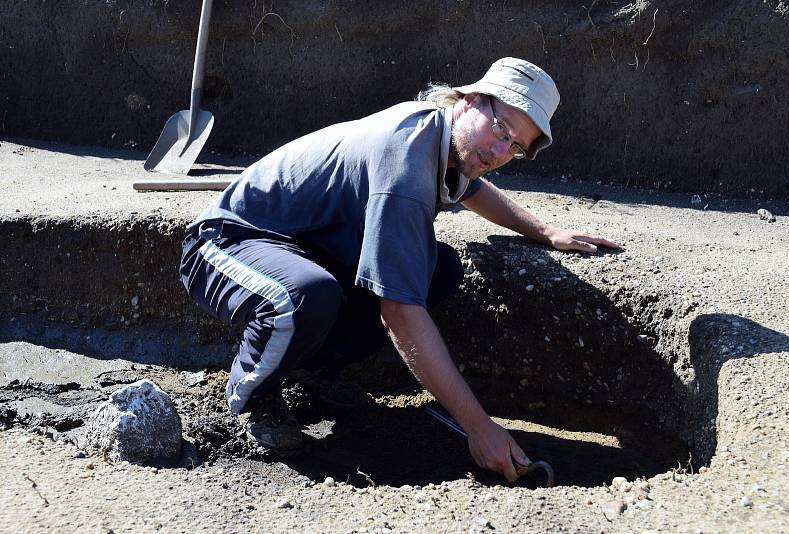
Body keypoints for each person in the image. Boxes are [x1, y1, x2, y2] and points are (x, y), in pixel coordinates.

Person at [179, 57, 619, 483]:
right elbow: (400, 314)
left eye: (515, 146)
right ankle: (253, 398)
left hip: (303, 248)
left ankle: (313, 373)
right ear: (468, 100)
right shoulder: (406, 164)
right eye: (500, 128)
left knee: (439, 269)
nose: (499, 150)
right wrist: (478, 427)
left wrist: (546, 231)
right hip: (227, 243)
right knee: (305, 297)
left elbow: (472, 187)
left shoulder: (448, 141)